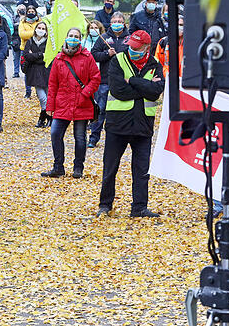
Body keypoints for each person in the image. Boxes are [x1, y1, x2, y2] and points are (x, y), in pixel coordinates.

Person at [98, 30, 164, 218]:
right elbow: (118, 90)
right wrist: (145, 86)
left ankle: (139, 208)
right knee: (110, 168)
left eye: (136, 48)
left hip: (143, 125)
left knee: (142, 171)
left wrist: (133, 81)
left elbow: (156, 91)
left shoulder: (155, 64)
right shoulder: (118, 60)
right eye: (131, 47)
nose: (132, 50)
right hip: (117, 124)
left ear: (146, 48)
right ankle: (105, 204)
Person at [41, 28, 99, 178]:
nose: (73, 38)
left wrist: (85, 94)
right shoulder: (59, 59)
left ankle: (78, 167)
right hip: (63, 103)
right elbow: (53, 84)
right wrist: (49, 107)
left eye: (76, 36)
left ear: (80, 39)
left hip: (82, 103)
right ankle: (58, 167)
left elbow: (95, 78)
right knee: (55, 133)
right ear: (66, 38)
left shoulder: (87, 57)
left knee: (80, 137)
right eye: (71, 36)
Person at [89, 12, 130, 148]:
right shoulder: (104, 38)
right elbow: (93, 55)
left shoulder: (129, 39)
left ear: (124, 23)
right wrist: (107, 54)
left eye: (119, 21)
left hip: (125, 81)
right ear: (110, 23)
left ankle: (121, 138)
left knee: (122, 111)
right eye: (114, 21)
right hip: (105, 81)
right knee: (100, 110)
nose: (117, 24)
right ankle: (94, 137)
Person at [22, 20, 50, 126]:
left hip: (47, 72)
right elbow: (27, 56)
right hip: (34, 73)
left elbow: (48, 57)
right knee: (42, 97)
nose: (41, 30)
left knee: (48, 96)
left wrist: (34, 55)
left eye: (43, 29)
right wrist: (40, 55)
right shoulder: (30, 41)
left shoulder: (48, 43)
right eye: (39, 28)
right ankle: (46, 118)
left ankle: (43, 119)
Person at [153, 13, 184, 78]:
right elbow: (157, 63)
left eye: (181, 25)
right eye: (176, 24)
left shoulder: (191, 43)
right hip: (168, 80)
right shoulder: (163, 42)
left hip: (186, 81)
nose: (179, 27)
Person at [17, 6, 39, 90]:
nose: (31, 13)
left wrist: (29, 34)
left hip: (37, 49)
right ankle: (28, 90)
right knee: (27, 71)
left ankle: (37, 90)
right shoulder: (23, 22)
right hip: (25, 49)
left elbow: (43, 33)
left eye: (32, 11)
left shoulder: (39, 21)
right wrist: (35, 33)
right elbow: (22, 34)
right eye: (29, 11)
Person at [10, 5, 25, 79]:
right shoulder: (14, 18)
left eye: (23, 9)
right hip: (16, 40)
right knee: (16, 57)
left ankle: (24, 71)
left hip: (24, 40)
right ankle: (16, 72)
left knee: (23, 57)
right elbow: (12, 26)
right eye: (20, 9)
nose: (21, 10)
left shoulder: (26, 18)